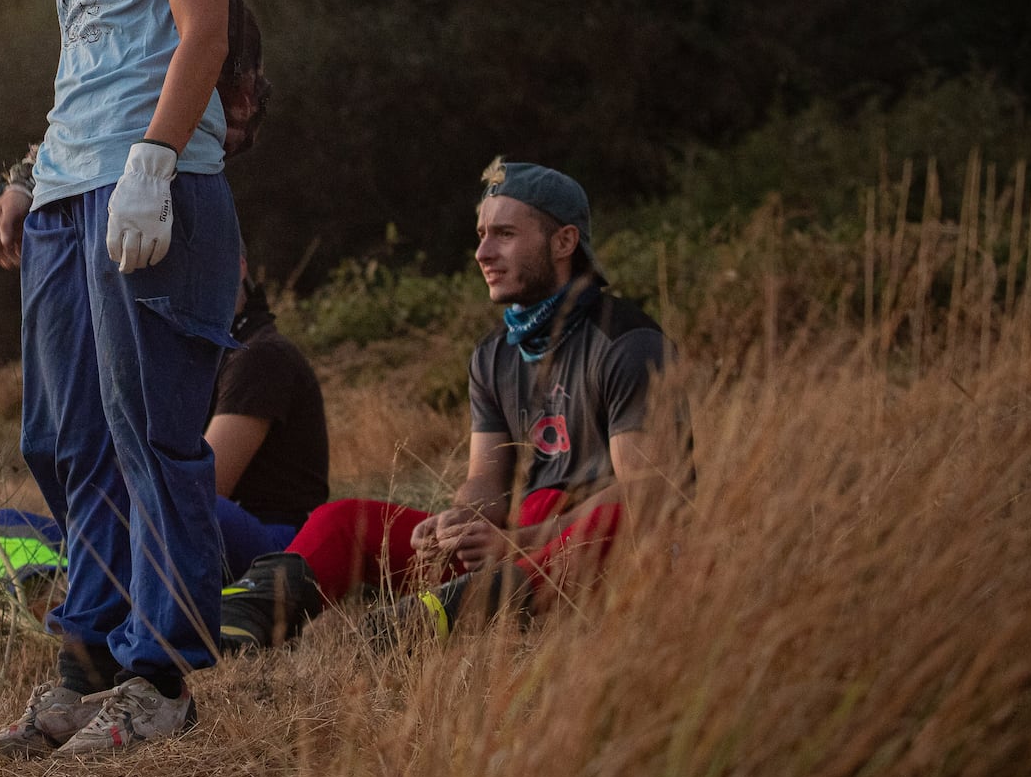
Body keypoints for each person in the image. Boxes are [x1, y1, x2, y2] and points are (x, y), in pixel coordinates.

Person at [0, 0, 243, 759]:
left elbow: (203, 36)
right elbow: (85, 60)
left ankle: (160, 675)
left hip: (154, 189)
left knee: (148, 436)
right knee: (63, 437)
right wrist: (26, 173)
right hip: (65, 192)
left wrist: (153, 160)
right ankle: (82, 664)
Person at [217, 159, 685, 651]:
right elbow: (487, 478)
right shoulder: (494, 353)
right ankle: (244, 617)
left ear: (564, 242)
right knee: (342, 520)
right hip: (521, 543)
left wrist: (523, 541)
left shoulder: (627, 343)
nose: (483, 252)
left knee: (613, 519)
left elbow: (647, 492)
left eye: (504, 234)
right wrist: (459, 522)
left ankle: (436, 617)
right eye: (482, 234)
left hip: (598, 543)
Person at [0, 260, 329, 585]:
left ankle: (79, 584)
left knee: (179, 506)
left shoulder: (261, 356)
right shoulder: (191, 359)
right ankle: (74, 583)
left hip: (265, 540)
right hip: (170, 529)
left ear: (235, 266)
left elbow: (206, 486)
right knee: (1, 529)